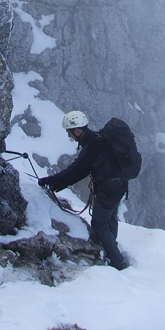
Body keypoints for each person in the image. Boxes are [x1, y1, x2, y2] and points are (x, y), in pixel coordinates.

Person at [38, 110, 129, 270]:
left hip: (108, 190)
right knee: (110, 218)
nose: (69, 135)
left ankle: (117, 262)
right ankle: (111, 251)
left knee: (99, 223)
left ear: (78, 130)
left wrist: (50, 182)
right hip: (119, 186)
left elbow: (75, 171)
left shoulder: (92, 146)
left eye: (69, 132)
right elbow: (79, 171)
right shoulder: (99, 140)